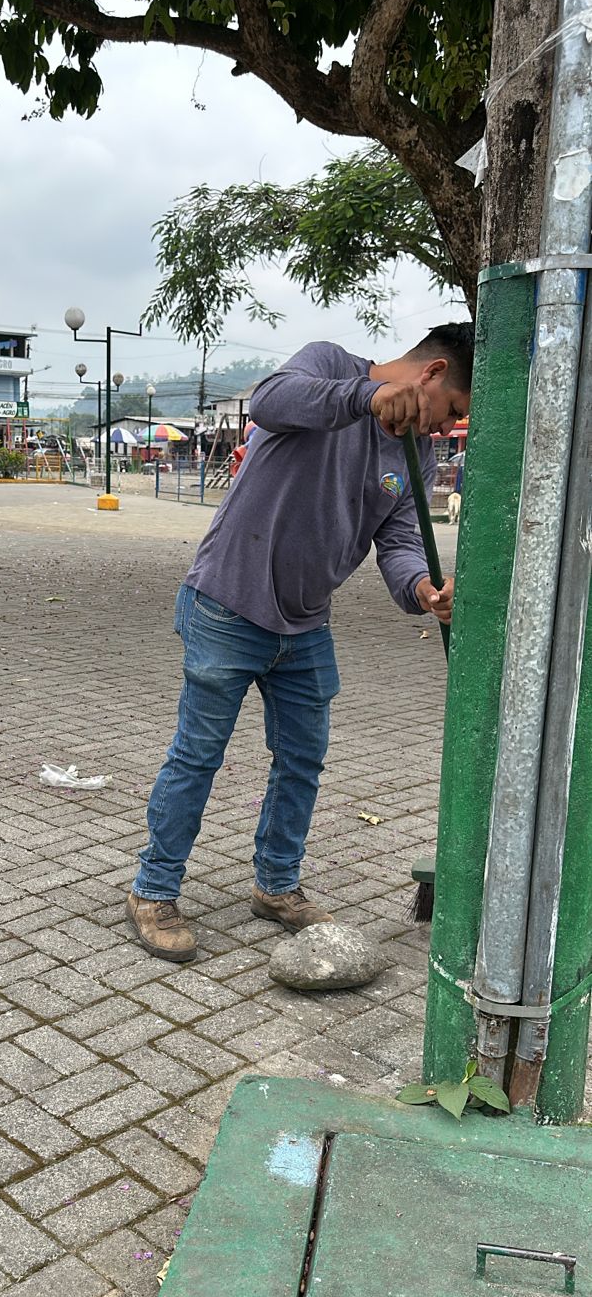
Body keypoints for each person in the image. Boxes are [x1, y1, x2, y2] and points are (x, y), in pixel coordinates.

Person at [125, 324, 474, 963]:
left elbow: (398, 542)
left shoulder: (416, 458)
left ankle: (277, 885)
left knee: (302, 759)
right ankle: (153, 891)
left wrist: (421, 587)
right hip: (227, 606)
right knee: (197, 756)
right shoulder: (329, 365)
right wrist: (366, 399)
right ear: (432, 373)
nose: (446, 427)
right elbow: (271, 401)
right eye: (451, 410)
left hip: (306, 625)